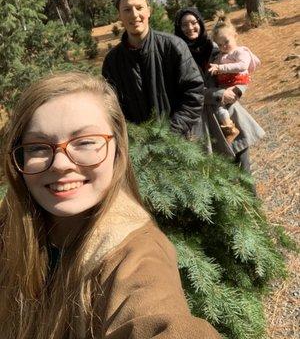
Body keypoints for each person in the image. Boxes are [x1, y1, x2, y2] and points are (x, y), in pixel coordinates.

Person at [0, 72, 221, 339]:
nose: (60, 163)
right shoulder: (9, 226)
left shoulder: (136, 255)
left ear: (118, 150)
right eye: (38, 147)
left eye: (85, 142)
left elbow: (157, 321)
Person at [102, 0, 204, 138]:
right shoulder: (112, 62)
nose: (134, 15)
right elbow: (111, 108)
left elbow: (194, 92)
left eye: (139, 8)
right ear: (119, 16)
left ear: (149, 11)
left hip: (178, 143)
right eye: (127, 10)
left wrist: (171, 133)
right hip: (139, 151)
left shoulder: (173, 46)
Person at [174, 7, 265, 173]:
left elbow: (242, 72)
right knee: (219, 172)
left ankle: (251, 199)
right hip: (201, 122)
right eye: (184, 25)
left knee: (243, 165)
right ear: (178, 28)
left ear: (200, 23)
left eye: (194, 22)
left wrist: (238, 91)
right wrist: (217, 94)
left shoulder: (215, 48)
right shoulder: (176, 56)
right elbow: (183, 90)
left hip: (230, 113)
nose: (190, 28)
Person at [208, 11, 261, 143]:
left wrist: (220, 68)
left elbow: (242, 66)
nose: (223, 46)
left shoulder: (240, 51)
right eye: (219, 45)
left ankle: (230, 129)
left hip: (238, 82)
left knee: (220, 105)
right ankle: (230, 127)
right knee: (220, 105)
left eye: (226, 42)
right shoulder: (221, 55)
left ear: (235, 36)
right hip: (227, 84)